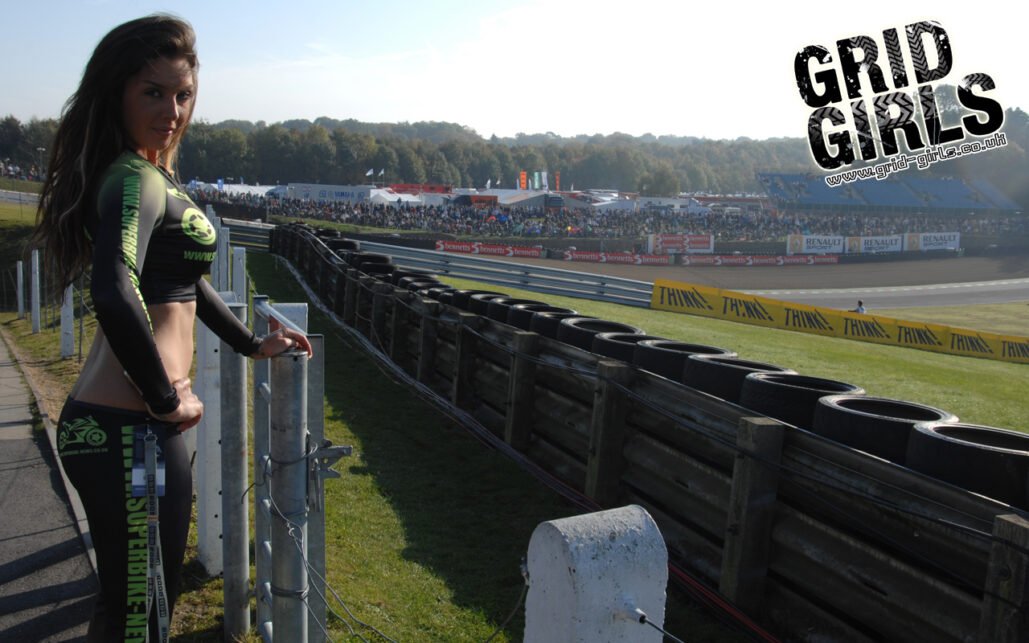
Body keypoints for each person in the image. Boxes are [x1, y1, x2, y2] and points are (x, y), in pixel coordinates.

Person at [32, 15, 312, 641]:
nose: (173, 109)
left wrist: (247, 343)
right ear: (119, 95)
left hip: (137, 431)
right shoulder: (132, 177)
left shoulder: (151, 173)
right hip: (128, 431)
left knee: (142, 596)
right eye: (153, 92)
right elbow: (114, 285)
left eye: (183, 94)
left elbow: (181, 283)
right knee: (140, 608)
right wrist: (165, 394)